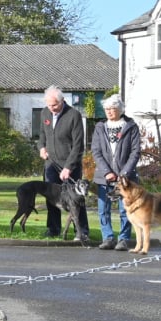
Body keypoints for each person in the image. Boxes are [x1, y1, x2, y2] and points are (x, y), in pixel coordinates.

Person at [37, 86, 94, 246]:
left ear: (62, 101)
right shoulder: (44, 113)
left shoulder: (74, 115)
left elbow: (78, 146)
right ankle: (53, 228)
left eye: (54, 105)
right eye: (49, 105)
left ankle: (81, 231)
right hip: (51, 164)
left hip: (70, 166)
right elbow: (41, 136)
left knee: (76, 200)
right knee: (52, 198)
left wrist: (69, 167)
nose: (52, 108)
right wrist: (41, 147)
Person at [89, 96, 141, 251]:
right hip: (104, 177)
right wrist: (107, 172)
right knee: (103, 209)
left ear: (120, 109)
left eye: (112, 109)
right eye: (106, 109)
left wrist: (124, 173)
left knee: (125, 209)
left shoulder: (131, 126)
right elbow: (96, 151)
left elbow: (135, 151)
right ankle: (108, 238)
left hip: (125, 179)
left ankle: (124, 239)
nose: (109, 112)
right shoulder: (100, 127)